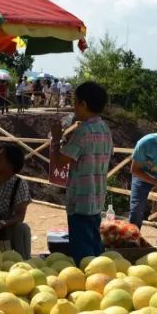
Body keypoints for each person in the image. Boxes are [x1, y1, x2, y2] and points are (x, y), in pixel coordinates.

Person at [50, 81, 112, 263]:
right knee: (94, 245)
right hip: (97, 197)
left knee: (83, 255)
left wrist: (56, 139)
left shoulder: (83, 131)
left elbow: (60, 163)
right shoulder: (104, 128)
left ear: (84, 104)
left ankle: (88, 284)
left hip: (80, 200)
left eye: (75, 102)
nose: (73, 106)